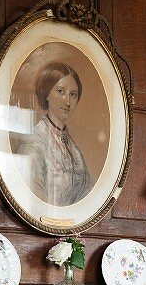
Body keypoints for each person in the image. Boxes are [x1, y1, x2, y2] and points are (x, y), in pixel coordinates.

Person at [20, 62, 93, 206]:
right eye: (60, 91)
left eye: (73, 94)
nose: (68, 101)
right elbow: (31, 195)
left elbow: (87, 194)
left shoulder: (73, 149)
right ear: (47, 93)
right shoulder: (34, 141)